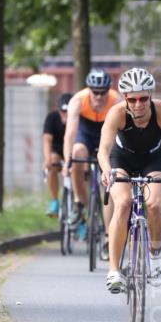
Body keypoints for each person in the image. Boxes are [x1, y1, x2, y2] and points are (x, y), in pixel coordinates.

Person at [99, 67, 161, 293]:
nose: (139, 104)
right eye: (133, 99)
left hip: (152, 159)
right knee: (124, 203)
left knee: (155, 204)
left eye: (144, 98)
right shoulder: (116, 113)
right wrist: (107, 170)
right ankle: (114, 270)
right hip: (122, 159)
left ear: (151, 95)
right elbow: (103, 150)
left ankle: (155, 257)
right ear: (125, 99)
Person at [63, 69, 122, 239]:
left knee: (108, 186)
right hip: (86, 132)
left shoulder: (116, 100)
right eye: (95, 92)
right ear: (89, 89)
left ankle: (108, 237)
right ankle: (79, 202)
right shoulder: (78, 101)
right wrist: (68, 160)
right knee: (77, 152)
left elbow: (123, 131)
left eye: (103, 92)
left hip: (107, 132)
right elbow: (70, 133)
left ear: (108, 90)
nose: (99, 96)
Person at [41, 92, 71, 216]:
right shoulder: (52, 118)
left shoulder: (79, 118)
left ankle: (80, 210)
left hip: (73, 151)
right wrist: (47, 159)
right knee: (52, 164)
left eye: (69, 111)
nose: (66, 114)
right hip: (58, 151)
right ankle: (54, 201)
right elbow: (47, 139)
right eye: (63, 111)